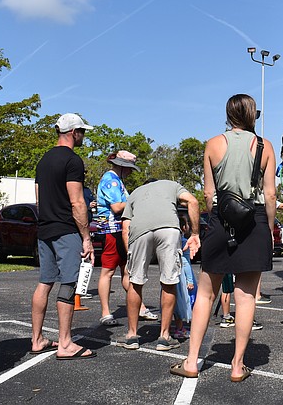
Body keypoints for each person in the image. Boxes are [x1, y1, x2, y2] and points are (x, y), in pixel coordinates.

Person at [171, 94, 277, 382]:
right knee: (245, 297)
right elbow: (270, 195)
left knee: (206, 293)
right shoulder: (265, 146)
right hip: (253, 220)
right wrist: (268, 227)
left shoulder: (214, 144)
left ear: (229, 114)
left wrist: (217, 218)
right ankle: (237, 365)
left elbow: (207, 194)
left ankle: (192, 361)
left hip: (221, 219)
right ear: (253, 114)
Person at [30, 113, 96, 360]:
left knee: (44, 282)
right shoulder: (73, 161)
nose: (83, 136)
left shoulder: (43, 161)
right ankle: (66, 343)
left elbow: (38, 200)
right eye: (82, 132)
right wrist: (87, 238)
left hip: (45, 228)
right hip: (66, 230)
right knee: (69, 283)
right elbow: (78, 202)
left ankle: (37, 339)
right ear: (73, 132)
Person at [120, 179, 200, 351]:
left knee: (136, 281)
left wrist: (130, 255)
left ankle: (132, 335)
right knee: (169, 281)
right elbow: (193, 201)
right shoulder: (171, 185)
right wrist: (195, 233)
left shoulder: (135, 192)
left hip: (139, 230)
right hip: (168, 228)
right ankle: (164, 336)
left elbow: (125, 227)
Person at [95, 151, 153, 325]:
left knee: (127, 270)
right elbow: (117, 207)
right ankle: (106, 313)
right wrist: (139, 200)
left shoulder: (117, 181)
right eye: (128, 169)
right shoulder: (111, 180)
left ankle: (140, 307)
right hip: (112, 231)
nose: (130, 172)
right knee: (108, 271)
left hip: (121, 230)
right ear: (121, 166)